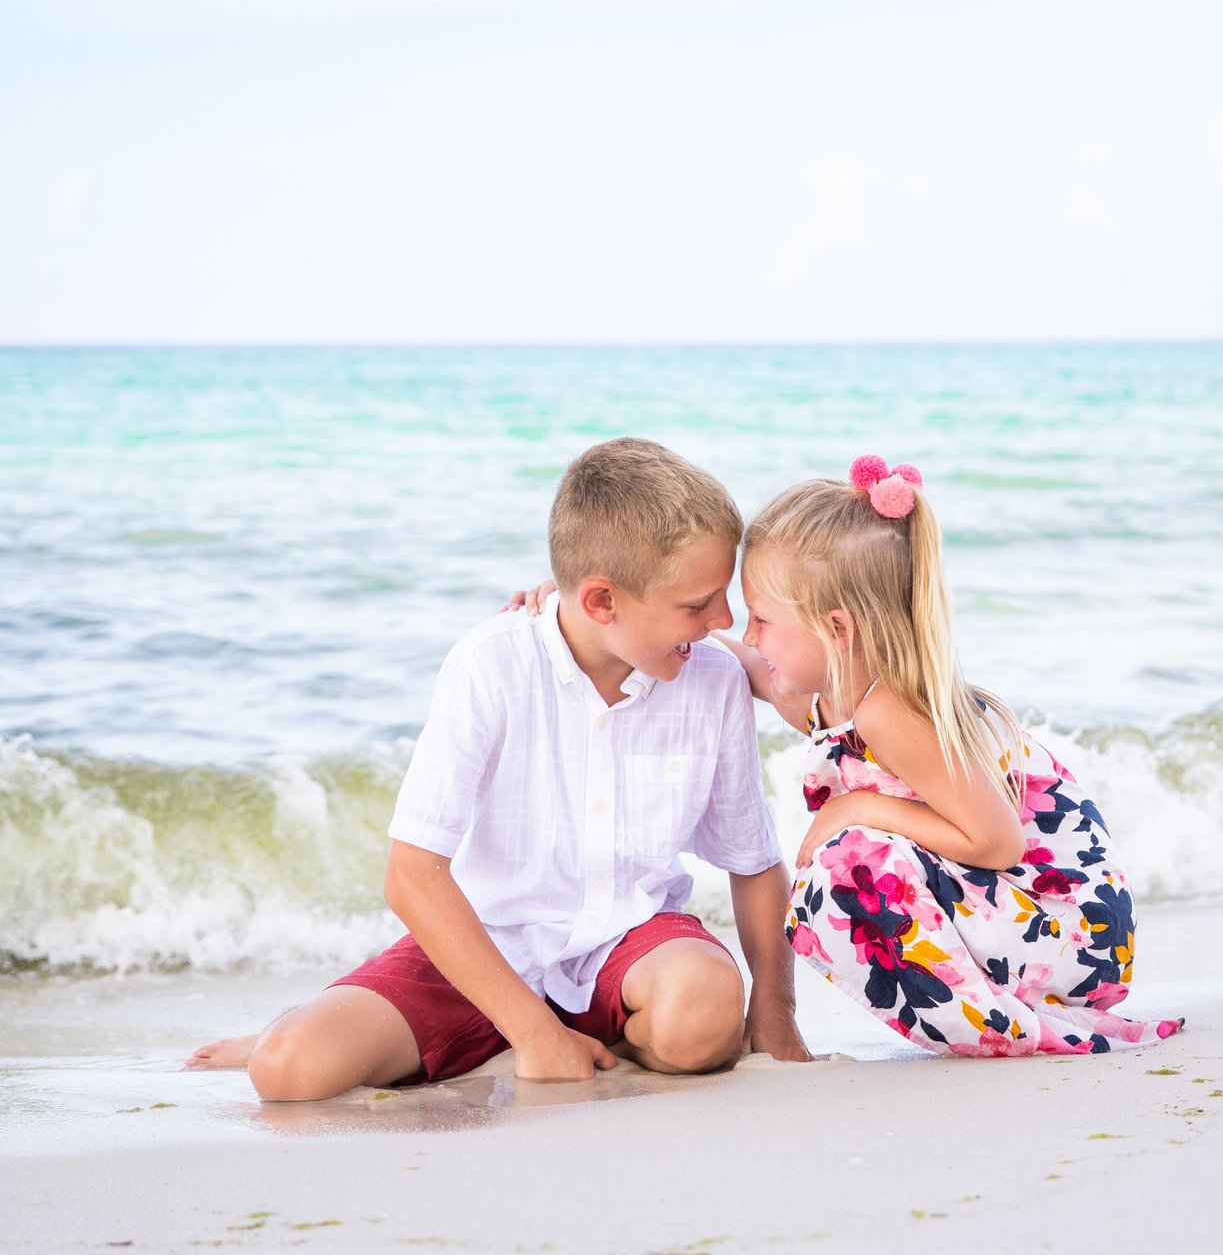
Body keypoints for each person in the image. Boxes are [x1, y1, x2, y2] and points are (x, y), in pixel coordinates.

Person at [185, 438, 809, 1099]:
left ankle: (594, 1028)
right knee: (287, 1069)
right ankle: (485, 1027)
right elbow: (411, 875)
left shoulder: (709, 678)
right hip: (485, 950)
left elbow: (752, 859)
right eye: (698, 603)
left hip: (631, 947)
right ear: (602, 602)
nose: (724, 621)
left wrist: (775, 1015)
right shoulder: (490, 663)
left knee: (702, 1015)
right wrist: (534, 1035)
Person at [726, 454, 1183, 1056]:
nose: (750, 633)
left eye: (760, 618)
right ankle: (1007, 1016)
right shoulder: (839, 693)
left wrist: (859, 805)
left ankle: (1011, 1027)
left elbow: (998, 844)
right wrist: (647, 620)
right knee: (844, 867)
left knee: (843, 870)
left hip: (1071, 927)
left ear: (838, 630)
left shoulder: (890, 709)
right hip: (1026, 921)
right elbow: (749, 665)